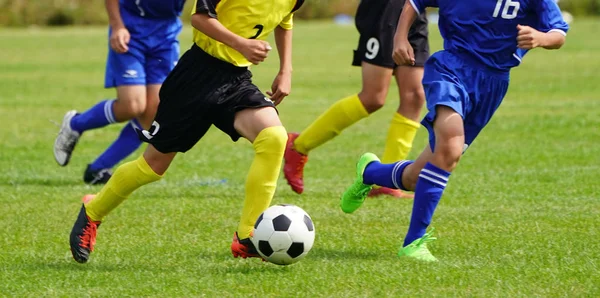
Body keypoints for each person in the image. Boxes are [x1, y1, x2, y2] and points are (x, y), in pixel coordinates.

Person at [68, 0, 303, 263]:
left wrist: (286, 69)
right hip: (195, 78)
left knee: (274, 137)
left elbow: (286, 19)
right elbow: (199, 18)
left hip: (236, 80)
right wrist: (241, 43)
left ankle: (247, 235)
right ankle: (93, 210)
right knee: (151, 167)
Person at [340, 0, 568, 262]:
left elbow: (559, 33)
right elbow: (416, 2)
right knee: (449, 148)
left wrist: (540, 37)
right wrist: (400, 37)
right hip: (451, 68)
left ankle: (369, 172)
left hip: (493, 84)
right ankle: (413, 243)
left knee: (417, 176)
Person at [283, 0, 430, 198]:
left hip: (414, 7)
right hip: (384, 8)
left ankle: (387, 180)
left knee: (415, 96)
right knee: (373, 97)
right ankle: (298, 145)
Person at [53, 0, 185, 184]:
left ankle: (98, 169)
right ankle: (75, 124)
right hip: (130, 33)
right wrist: (117, 26)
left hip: (165, 37)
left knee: (153, 114)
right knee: (132, 105)